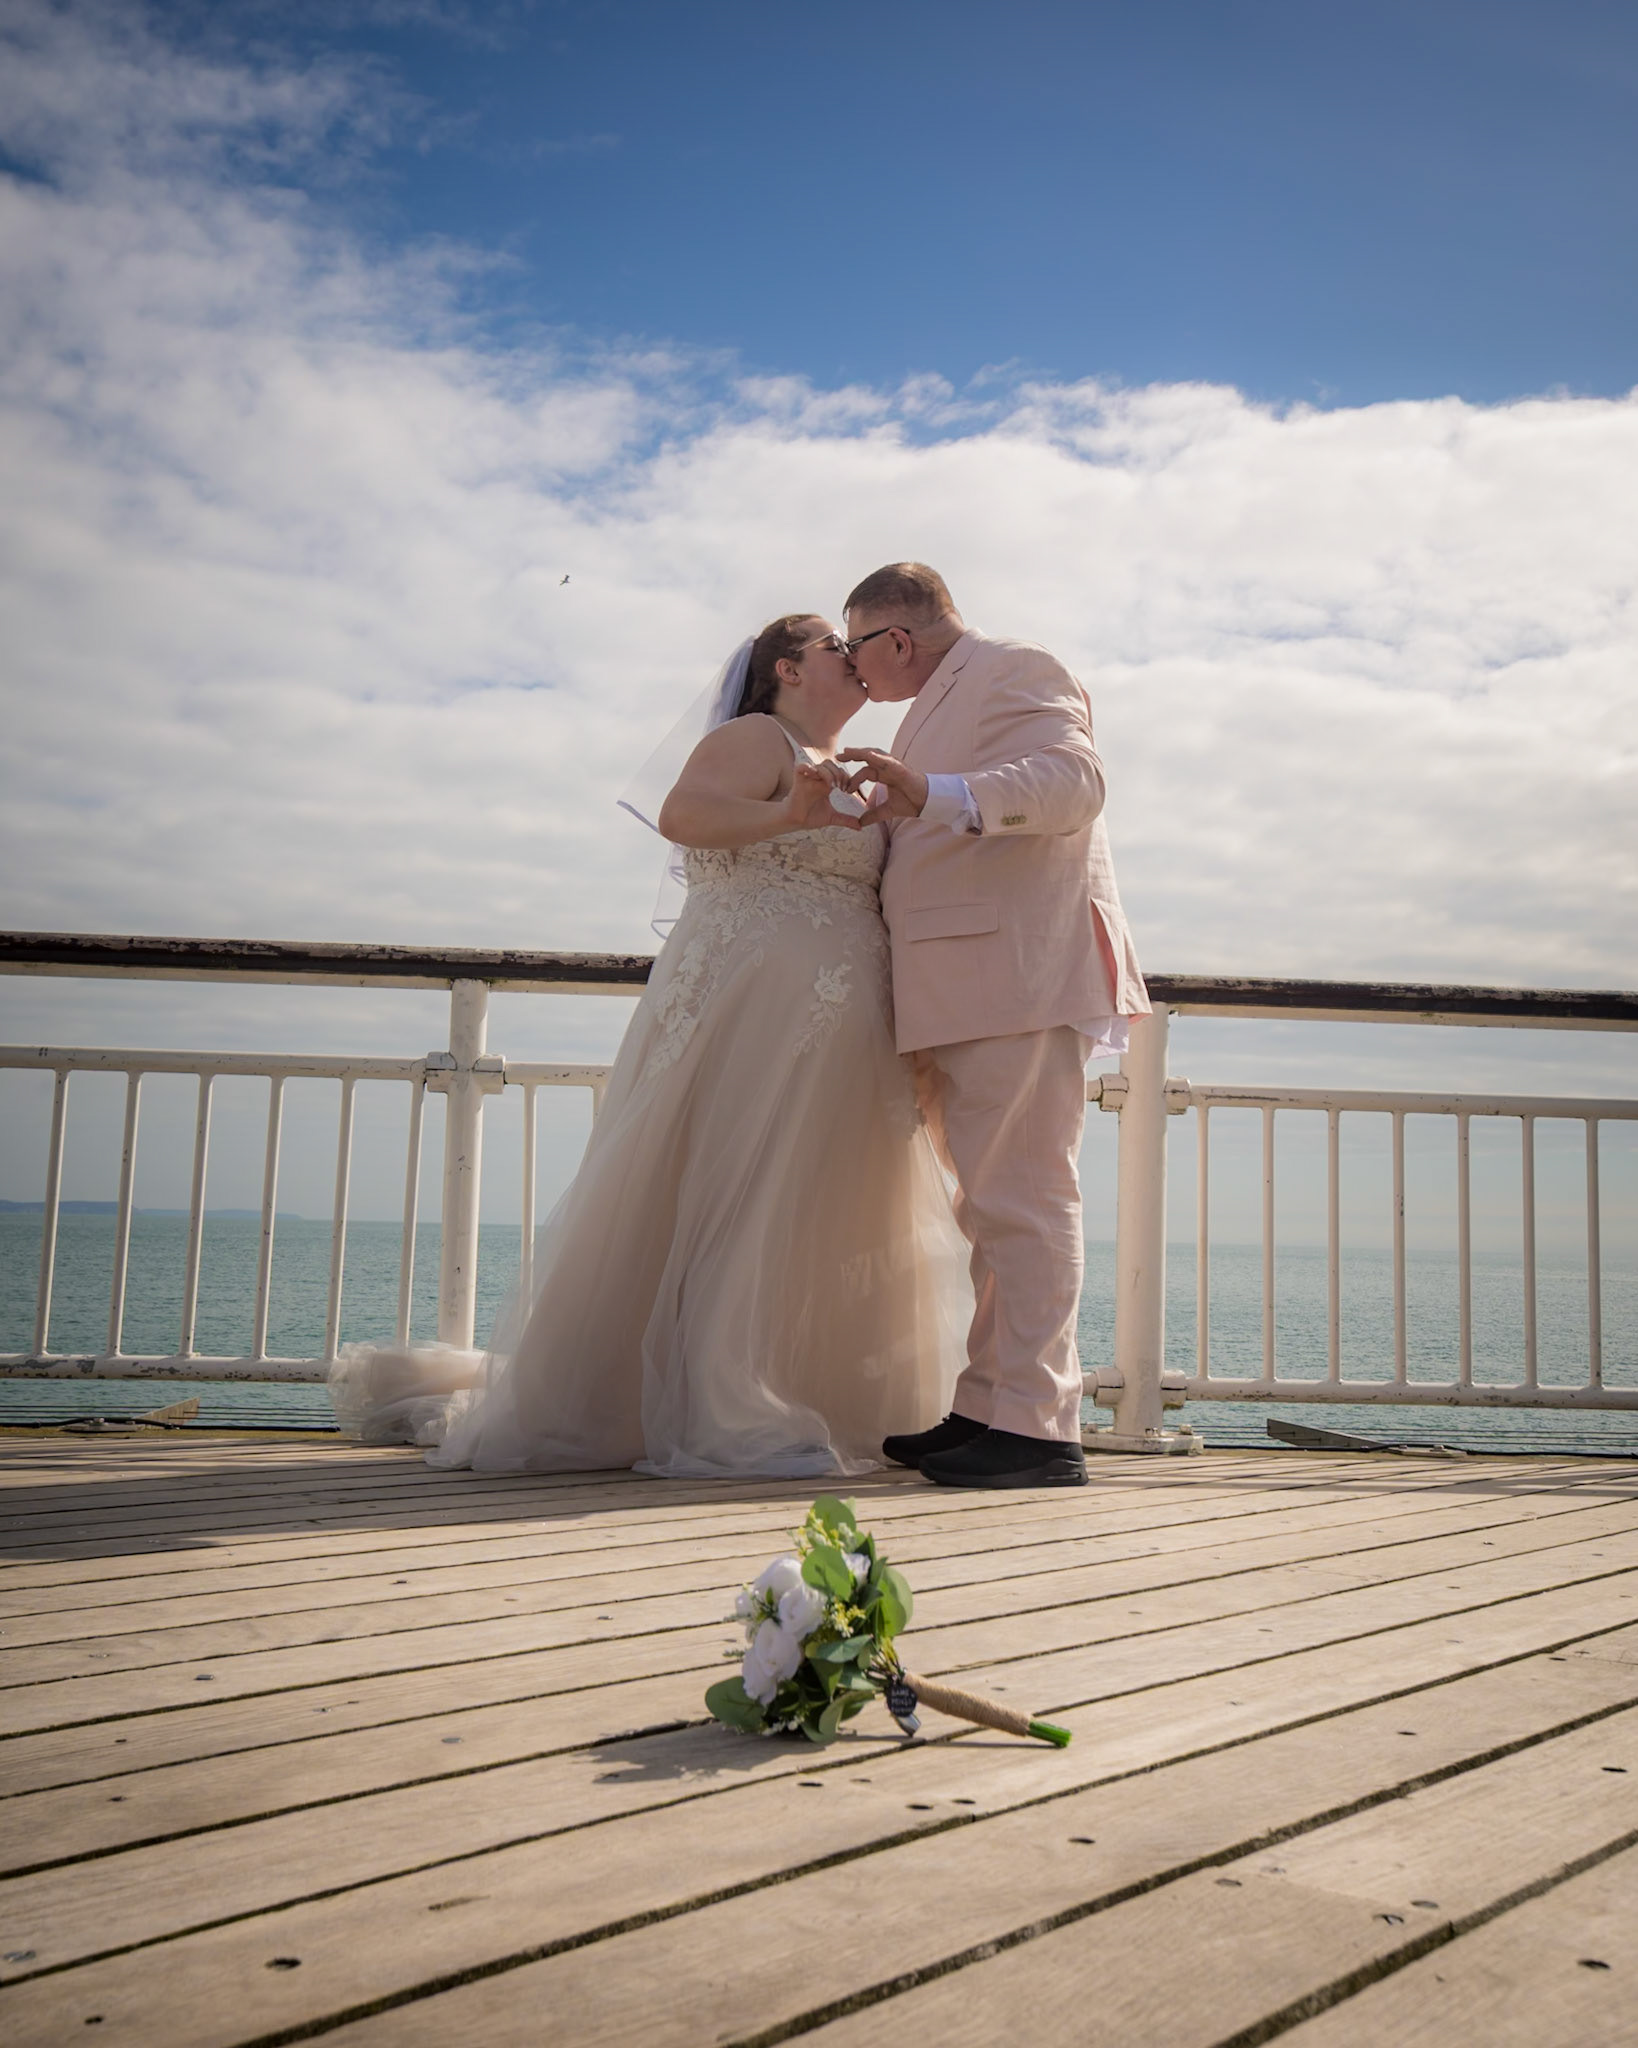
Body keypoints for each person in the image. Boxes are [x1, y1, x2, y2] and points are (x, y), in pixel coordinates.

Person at [333, 614, 966, 1477]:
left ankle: (823, 1391)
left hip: (845, 1024)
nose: (852, 660)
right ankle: (726, 1398)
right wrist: (790, 811)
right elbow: (686, 817)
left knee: (820, 1191)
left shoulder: (849, 772)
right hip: (753, 1009)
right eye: (833, 647)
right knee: (743, 1181)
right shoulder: (758, 736)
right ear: (786, 668)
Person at [838, 564, 1149, 1489]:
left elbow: (1072, 783)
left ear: (896, 639)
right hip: (964, 984)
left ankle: (1041, 1429)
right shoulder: (931, 704)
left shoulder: (1016, 668)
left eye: (857, 652)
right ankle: (987, 1405)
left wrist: (929, 794)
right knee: (990, 1206)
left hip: (1015, 974)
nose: (855, 675)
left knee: (1025, 1198)